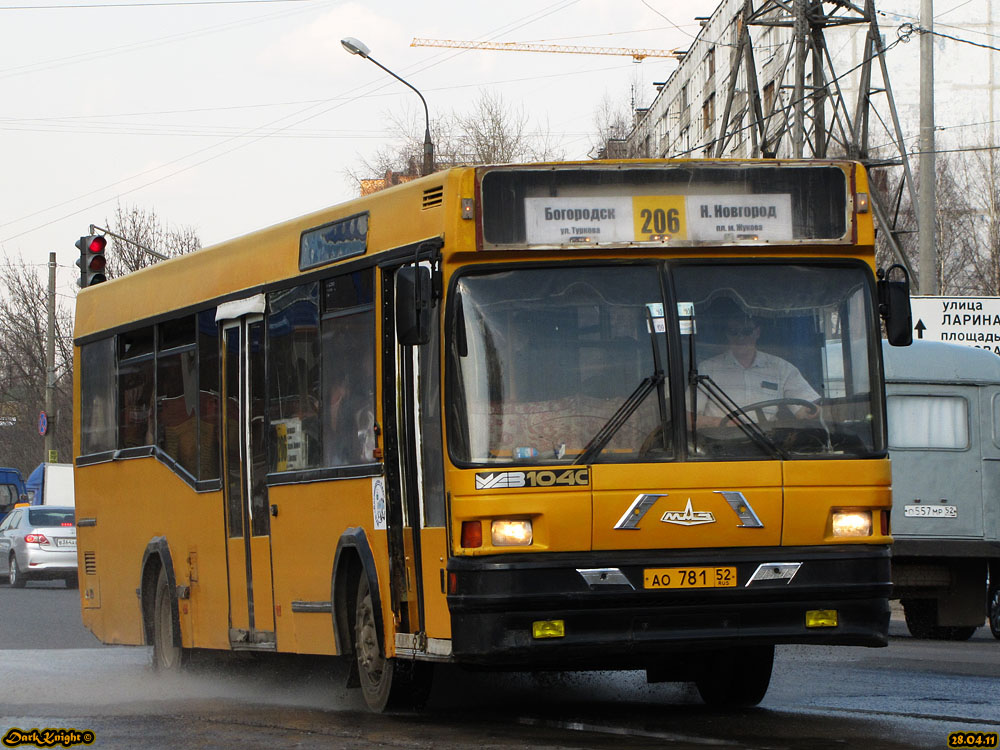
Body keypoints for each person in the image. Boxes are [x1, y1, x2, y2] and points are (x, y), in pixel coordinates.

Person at [696, 304, 819, 425]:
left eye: (747, 331)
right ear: (727, 334)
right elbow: (689, 418)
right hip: (719, 441)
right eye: (734, 332)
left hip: (767, 442)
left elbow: (806, 409)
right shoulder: (707, 369)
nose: (740, 338)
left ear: (757, 332)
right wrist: (726, 423)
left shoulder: (781, 368)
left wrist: (813, 412)